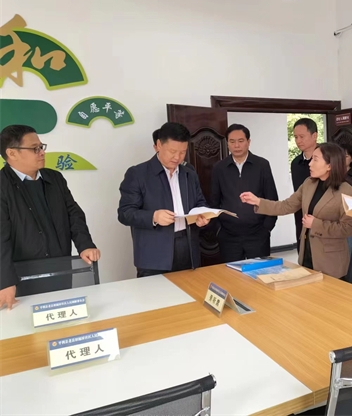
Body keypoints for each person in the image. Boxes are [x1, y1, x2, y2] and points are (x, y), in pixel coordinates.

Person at [0, 125, 100, 309]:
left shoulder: (54, 178)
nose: (42, 152)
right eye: (34, 148)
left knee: (64, 316)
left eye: (41, 147)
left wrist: (85, 244)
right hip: (21, 276)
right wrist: (4, 281)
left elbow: (73, 214)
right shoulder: (2, 185)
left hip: (60, 267)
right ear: (12, 153)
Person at [240, 143, 352, 278]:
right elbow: (286, 205)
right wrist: (258, 202)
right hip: (306, 255)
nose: (310, 164)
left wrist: (316, 224)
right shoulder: (309, 183)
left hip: (331, 262)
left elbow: (348, 228)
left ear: (329, 165)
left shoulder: (347, 192)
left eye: (315, 159)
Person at [118, 123, 209, 277]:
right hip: (154, 253)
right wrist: (154, 216)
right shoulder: (138, 174)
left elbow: (200, 202)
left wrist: (202, 215)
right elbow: (125, 213)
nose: (177, 157)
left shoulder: (189, 173)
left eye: (182, 152)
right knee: (155, 292)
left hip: (187, 248)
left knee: (189, 290)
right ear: (159, 145)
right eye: (172, 151)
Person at [211, 124, 278, 263]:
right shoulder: (219, 168)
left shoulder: (262, 165)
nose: (236, 145)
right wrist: (218, 229)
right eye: (232, 141)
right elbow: (213, 202)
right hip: (228, 236)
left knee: (260, 272)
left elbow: (272, 199)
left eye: (241, 141)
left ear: (248, 142)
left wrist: (266, 228)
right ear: (227, 143)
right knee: (231, 274)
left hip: (258, 234)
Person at [290, 118, 318, 252]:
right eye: (296, 137)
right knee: (303, 250)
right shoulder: (295, 163)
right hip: (301, 213)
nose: (298, 141)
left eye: (302, 136)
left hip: (321, 214)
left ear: (314, 135)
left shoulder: (328, 159)